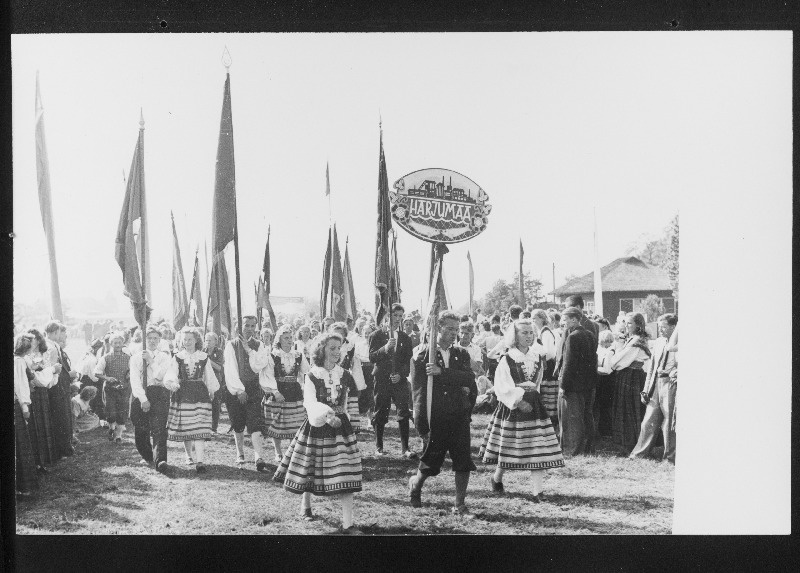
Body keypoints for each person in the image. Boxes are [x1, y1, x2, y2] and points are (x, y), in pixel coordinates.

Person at [273, 331, 364, 535]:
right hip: (318, 426)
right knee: (310, 467)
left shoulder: (345, 374)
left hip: (342, 428)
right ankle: (306, 506)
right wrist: (326, 414)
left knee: (345, 471)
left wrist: (351, 422)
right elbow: (310, 402)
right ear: (321, 350)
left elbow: (350, 400)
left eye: (338, 348)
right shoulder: (312, 375)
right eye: (331, 348)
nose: (336, 352)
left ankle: (348, 524)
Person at [479, 318, 564, 499]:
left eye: (531, 332)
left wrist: (534, 398)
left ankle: (537, 490)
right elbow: (501, 385)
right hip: (513, 406)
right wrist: (518, 401)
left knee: (537, 446)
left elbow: (537, 382)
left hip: (534, 406)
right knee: (510, 446)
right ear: (515, 336)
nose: (528, 336)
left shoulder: (536, 356)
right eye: (524, 333)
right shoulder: (507, 358)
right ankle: (497, 477)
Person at [408, 311, 478, 515]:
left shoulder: (461, 354)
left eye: (456, 329)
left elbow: (469, 378)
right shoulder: (422, 355)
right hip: (435, 416)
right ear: (436, 329)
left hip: (458, 415)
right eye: (449, 329)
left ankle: (459, 504)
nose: (454, 333)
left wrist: (443, 373)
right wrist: (422, 422)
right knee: (431, 461)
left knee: (463, 460)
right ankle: (416, 485)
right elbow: (418, 392)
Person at [223, 316, 278, 471]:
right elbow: (231, 370)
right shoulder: (231, 345)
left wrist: (249, 350)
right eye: (246, 325)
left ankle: (258, 456)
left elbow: (258, 365)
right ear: (238, 326)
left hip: (253, 388)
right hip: (236, 388)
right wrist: (239, 390)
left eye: (252, 325)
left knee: (255, 422)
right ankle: (240, 453)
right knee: (238, 422)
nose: (249, 328)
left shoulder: (259, 345)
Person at [164, 327, 220, 473]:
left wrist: (211, 389)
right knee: (187, 426)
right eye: (184, 339)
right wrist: (173, 383)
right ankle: (189, 455)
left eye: (190, 339)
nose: (187, 342)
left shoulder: (203, 357)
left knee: (200, 426)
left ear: (196, 340)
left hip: (200, 393)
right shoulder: (177, 356)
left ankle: (200, 461)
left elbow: (208, 374)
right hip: (182, 394)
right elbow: (171, 373)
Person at [369, 303, 415, 458]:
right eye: (395, 315)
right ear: (388, 316)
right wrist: (385, 347)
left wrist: (401, 375)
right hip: (382, 379)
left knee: (403, 412)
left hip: (399, 380)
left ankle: (405, 448)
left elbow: (408, 361)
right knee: (381, 411)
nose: (398, 319)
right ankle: (379, 446)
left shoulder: (405, 338)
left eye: (401, 316)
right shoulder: (377, 335)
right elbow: (372, 356)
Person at [630, 314, 678, 462]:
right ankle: (639, 454)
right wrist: (646, 388)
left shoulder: (679, 344)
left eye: (663, 326)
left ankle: (670, 457)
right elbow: (651, 367)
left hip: (670, 383)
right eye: (659, 326)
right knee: (649, 420)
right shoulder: (658, 342)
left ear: (673, 327)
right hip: (655, 384)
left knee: (669, 422)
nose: (661, 330)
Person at [129, 325, 173, 473]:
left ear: (160, 340)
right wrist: (142, 399)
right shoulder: (135, 357)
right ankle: (148, 455)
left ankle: (160, 460)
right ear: (144, 339)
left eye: (155, 338)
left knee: (159, 428)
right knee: (141, 429)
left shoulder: (164, 357)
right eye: (149, 338)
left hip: (159, 393)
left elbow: (160, 376)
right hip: (140, 393)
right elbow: (134, 379)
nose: (153, 341)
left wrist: (150, 360)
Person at [607, 312, 652, 455]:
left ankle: (631, 443)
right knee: (627, 408)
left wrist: (613, 359)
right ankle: (626, 442)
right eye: (625, 323)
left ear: (638, 325)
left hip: (632, 377)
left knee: (630, 409)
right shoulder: (632, 339)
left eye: (630, 323)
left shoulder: (636, 340)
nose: (627, 326)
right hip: (629, 376)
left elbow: (618, 361)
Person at [264, 324, 310, 462]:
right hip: (278, 390)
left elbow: (307, 372)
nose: (289, 340)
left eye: (290, 337)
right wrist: (275, 392)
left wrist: (305, 388)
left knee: (295, 422)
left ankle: (292, 451)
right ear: (279, 339)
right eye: (285, 338)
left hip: (294, 391)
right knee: (277, 422)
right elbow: (268, 375)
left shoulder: (298, 355)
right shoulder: (273, 355)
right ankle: (278, 452)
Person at [557, 307, 598, 456]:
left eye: (565, 319)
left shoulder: (572, 337)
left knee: (573, 418)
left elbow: (569, 364)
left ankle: (573, 450)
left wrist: (563, 386)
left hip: (574, 386)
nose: (563, 322)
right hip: (589, 384)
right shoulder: (590, 335)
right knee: (587, 416)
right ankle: (589, 448)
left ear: (574, 319)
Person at [25, 329, 60, 469]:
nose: (34, 342)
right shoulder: (27, 356)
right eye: (31, 340)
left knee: (44, 424)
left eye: (36, 339)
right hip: (32, 392)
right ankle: (37, 462)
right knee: (35, 426)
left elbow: (48, 378)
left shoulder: (42, 354)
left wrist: (50, 375)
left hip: (42, 392)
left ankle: (45, 459)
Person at [44, 321, 77, 457]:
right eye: (61, 332)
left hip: (61, 387)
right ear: (56, 332)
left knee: (64, 418)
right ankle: (62, 450)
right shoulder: (51, 348)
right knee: (60, 419)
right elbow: (51, 370)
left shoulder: (54, 346)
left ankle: (65, 448)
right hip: (56, 389)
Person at [94, 332, 131, 444]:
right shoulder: (106, 358)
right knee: (111, 411)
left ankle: (118, 435)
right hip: (110, 389)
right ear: (111, 344)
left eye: (120, 342)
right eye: (115, 343)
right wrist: (107, 377)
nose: (118, 345)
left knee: (122, 411)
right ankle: (111, 428)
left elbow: (134, 370)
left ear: (123, 343)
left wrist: (130, 373)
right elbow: (96, 372)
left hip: (124, 388)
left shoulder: (128, 358)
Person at [14, 334, 39, 495]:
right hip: (17, 403)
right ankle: (23, 487)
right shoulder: (19, 362)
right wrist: (25, 406)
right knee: (21, 445)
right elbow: (20, 384)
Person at [331, 322, 367, 433]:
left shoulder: (350, 347)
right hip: (330, 378)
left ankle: (348, 426)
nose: (339, 336)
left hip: (345, 379)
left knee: (347, 401)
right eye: (335, 334)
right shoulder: (326, 346)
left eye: (341, 334)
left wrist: (359, 385)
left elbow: (355, 366)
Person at [532, 309, 559, 432]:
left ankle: (551, 425)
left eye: (535, 318)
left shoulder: (546, 333)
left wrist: (537, 356)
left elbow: (550, 353)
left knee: (549, 397)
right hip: (543, 366)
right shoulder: (540, 332)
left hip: (548, 367)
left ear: (542, 319)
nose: (533, 321)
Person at [78, 338, 106, 426]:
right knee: (95, 400)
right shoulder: (92, 360)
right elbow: (94, 377)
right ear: (96, 349)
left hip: (83, 379)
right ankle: (97, 418)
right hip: (89, 381)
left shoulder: (85, 355)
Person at [594, 330, 616, 438]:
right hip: (602, 381)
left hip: (607, 381)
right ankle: (603, 431)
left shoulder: (610, 352)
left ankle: (607, 432)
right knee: (602, 407)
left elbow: (607, 370)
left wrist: (594, 369)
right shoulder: (605, 351)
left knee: (606, 408)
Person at [204, 332, 225, 434]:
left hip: (216, 380)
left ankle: (214, 427)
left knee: (215, 404)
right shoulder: (202, 351)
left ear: (215, 341)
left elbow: (219, 367)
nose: (207, 342)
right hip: (204, 380)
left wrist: (207, 360)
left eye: (210, 340)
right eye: (206, 340)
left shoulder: (219, 352)